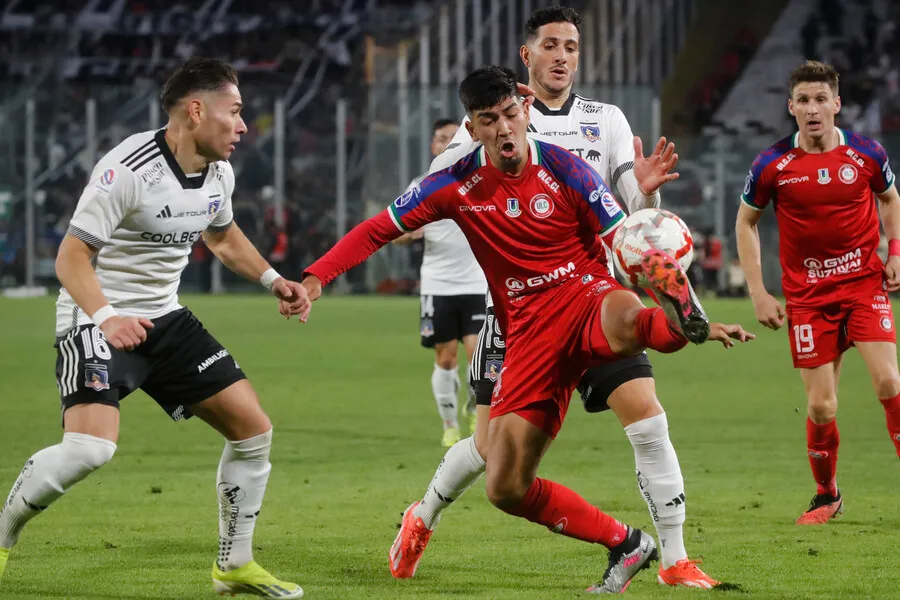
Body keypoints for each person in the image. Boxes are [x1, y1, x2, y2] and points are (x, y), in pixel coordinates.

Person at [291, 66, 752, 593]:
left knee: (629, 326)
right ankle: (627, 543)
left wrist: (647, 249)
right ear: (474, 126)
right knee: (505, 486)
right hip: (525, 333)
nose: (505, 129)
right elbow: (377, 229)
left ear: (526, 110)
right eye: (490, 120)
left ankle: (678, 318)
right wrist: (315, 277)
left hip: (584, 295)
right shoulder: (453, 183)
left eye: (511, 114)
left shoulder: (568, 168)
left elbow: (624, 244)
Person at [386, 6, 722, 589]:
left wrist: (638, 192)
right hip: (518, 314)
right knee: (491, 452)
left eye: (571, 45)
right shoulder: (496, 120)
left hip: (594, 296)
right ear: (527, 55)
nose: (562, 55)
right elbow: (442, 185)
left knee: (648, 418)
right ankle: (423, 516)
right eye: (550, 45)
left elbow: (631, 229)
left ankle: (674, 558)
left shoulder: (606, 119)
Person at [0, 58, 309, 599]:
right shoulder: (128, 169)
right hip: (95, 315)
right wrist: (107, 317)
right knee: (89, 450)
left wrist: (271, 278)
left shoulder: (219, 172)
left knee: (253, 431)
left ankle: (233, 566)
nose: (242, 125)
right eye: (234, 112)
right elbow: (71, 258)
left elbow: (222, 236)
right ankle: (3, 535)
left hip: (164, 317)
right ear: (196, 110)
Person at [736, 60, 900, 525]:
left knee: (890, 382)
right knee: (821, 405)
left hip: (863, 284)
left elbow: (890, 198)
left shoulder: (868, 154)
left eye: (821, 99)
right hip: (808, 299)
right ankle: (827, 494)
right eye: (803, 101)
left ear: (837, 104)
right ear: (791, 107)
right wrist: (759, 293)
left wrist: (896, 254)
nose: (813, 109)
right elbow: (746, 223)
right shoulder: (772, 164)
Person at [392, 118, 487, 446]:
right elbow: (395, 233)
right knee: (446, 358)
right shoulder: (421, 186)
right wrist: (409, 234)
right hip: (438, 284)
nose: (447, 143)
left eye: (453, 137)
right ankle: (450, 425)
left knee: (479, 356)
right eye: (441, 138)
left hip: (477, 282)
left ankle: (475, 408)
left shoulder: (481, 182)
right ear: (433, 147)